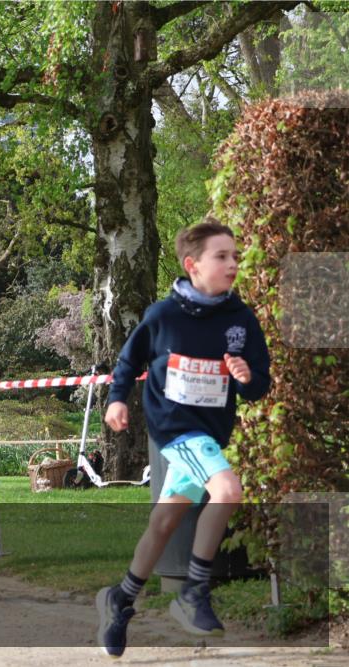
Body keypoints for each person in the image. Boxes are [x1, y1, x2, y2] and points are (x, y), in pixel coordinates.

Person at [95, 219, 271, 658]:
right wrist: (117, 400)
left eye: (235, 255)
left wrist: (247, 379)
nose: (233, 264)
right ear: (192, 265)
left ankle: (120, 599)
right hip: (173, 427)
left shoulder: (241, 319)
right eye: (221, 256)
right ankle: (193, 592)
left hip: (209, 435)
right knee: (228, 489)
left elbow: (259, 383)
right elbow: (127, 360)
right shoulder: (163, 316)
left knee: (165, 521)